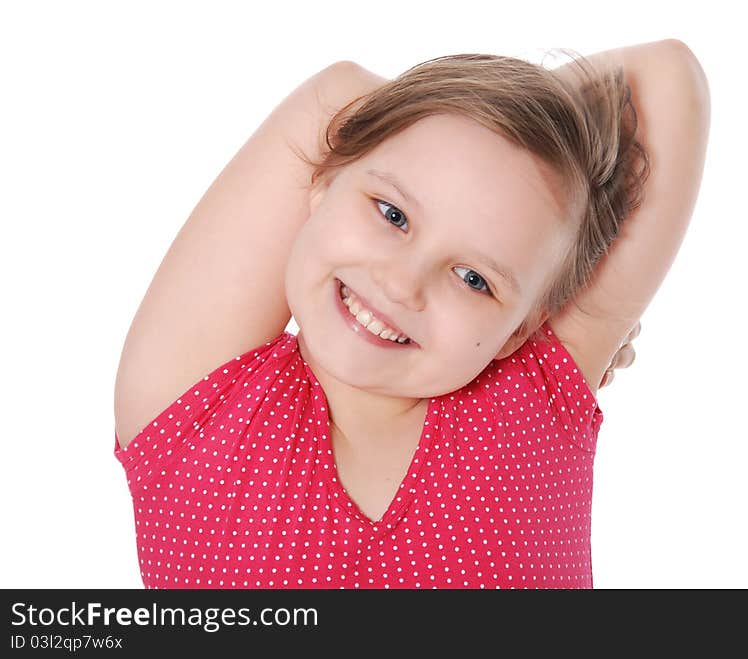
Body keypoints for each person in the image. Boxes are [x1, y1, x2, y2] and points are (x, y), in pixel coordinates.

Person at [113, 39, 710, 589]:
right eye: (392, 214)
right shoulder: (196, 402)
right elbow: (336, 91)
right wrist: (477, 116)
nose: (402, 285)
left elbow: (665, 78)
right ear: (323, 177)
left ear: (520, 327)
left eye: (474, 279)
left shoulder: (539, 396)